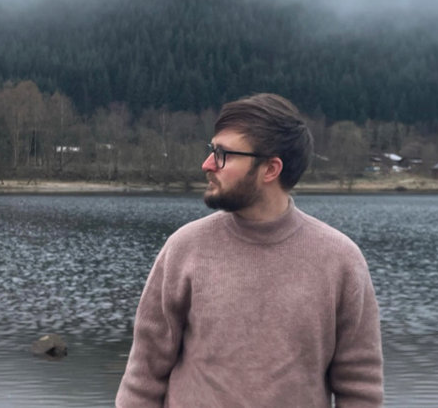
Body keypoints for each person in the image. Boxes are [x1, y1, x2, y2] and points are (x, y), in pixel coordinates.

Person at [116, 93, 383, 407]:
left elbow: (360, 388)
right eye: (211, 150)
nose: (207, 164)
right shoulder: (185, 248)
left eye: (223, 154)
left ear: (270, 169)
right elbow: (143, 377)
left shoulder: (341, 260)